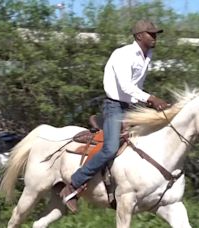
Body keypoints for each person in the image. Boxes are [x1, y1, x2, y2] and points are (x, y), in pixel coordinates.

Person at [61, 19, 169, 212]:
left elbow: (137, 87)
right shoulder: (123, 54)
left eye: (155, 33)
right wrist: (151, 99)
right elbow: (126, 86)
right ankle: (73, 185)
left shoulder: (148, 55)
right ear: (139, 36)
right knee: (110, 148)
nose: (154, 37)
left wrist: (147, 105)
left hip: (131, 107)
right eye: (151, 33)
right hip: (115, 107)